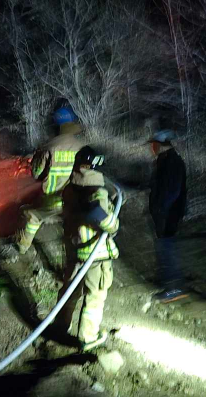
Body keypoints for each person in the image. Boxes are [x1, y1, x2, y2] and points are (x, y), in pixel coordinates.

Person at [61, 146, 120, 351]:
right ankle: (88, 338)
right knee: (95, 296)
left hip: (74, 249)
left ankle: (61, 326)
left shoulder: (70, 187)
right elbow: (103, 219)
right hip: (95, 253)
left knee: (70, 290)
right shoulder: (97, 190)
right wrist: (114, 223)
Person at [16, 105, 86, 255]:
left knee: (32, 216)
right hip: (78, 200)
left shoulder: (50, 147)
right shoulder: (83, 147)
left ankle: (21, 249)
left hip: (53, 200)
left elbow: (36, 174)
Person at [147, 129, 188, 303]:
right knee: (164, 248)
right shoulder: (165, 160)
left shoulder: (172, 162)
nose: (151, 148)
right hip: (165, 213)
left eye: (153, 145)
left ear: (160, 145)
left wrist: (160, 209)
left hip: (168, 214)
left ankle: (174, 288)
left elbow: (172, 191)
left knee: (167, 249)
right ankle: (168, 281)